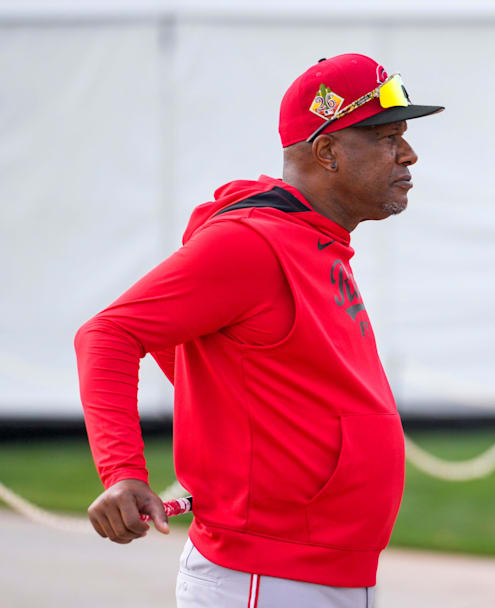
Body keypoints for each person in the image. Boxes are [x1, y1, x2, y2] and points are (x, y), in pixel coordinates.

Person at [74, 53, 442, 606]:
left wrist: (229, 410)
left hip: (315, 573)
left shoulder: (311, 239)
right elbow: (107, 335)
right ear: (327, 152)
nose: (408, 154)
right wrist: (123, 471)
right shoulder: (251, 242)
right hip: (265, 576)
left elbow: (206, 357)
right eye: (388, 137)